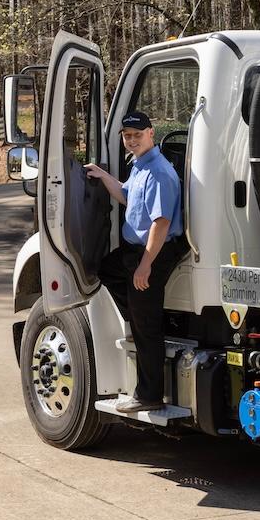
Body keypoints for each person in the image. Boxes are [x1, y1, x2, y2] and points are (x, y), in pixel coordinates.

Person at [84, 111, 184, 413]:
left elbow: (161, 224)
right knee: (106, 269)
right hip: (134, 250)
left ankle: (149, 395)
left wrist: (145, 266)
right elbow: (128, 196)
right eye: (127, 135)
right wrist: (103, 177)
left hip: (153, 251)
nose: (131, 140)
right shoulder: (140, 166)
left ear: (151, 133)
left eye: (137, 135)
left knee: (147, 328)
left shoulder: (160, 173)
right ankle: (137, 312)